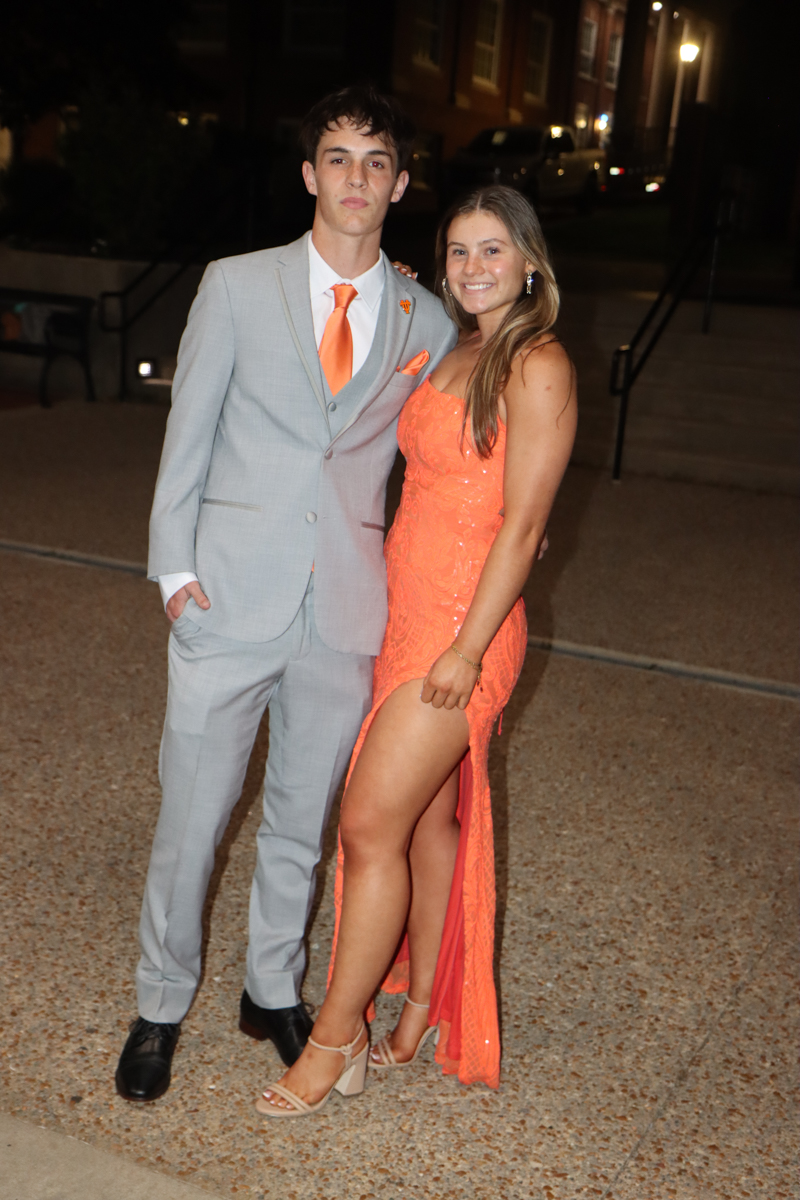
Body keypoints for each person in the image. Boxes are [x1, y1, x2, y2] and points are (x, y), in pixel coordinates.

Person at [114, 86, 457, 1103]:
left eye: (376, 161)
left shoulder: (427, 320)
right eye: (338, 158)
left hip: (345, 609)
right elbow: (188, 429)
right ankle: (159, 1004)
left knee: (303, 826)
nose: (356, 178)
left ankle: (270, 988)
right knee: (193, 818)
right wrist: (174, 572)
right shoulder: (234, 284)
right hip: (225, 594)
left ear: (400, 184)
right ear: (310, 173)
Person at [256, 185, 577, 1116]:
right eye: (459, 251)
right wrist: (396, 289)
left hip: (462, 629)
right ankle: (423, 1004)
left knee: (367, 827)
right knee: (429, 824)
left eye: (493, 250)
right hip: (406, 613)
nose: (474, 267)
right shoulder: (458, 344)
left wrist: (469, 652)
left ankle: (335, 1039)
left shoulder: (538, 362)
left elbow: (524, 527)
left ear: (530, 262)